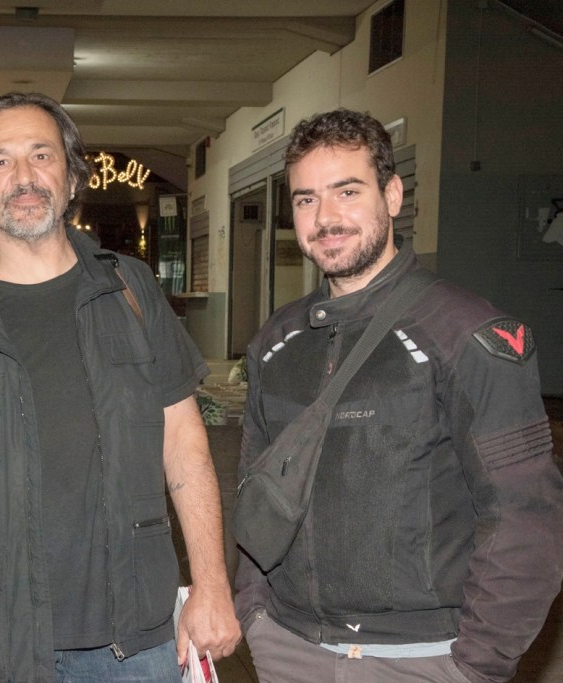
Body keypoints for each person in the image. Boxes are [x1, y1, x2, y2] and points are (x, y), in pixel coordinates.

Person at [0, 91, 241, 683]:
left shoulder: (131, 292)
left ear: (72, 179)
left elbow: (183, 441)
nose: (23, 176)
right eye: (0, 161)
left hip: (132, 645)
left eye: (41, 155)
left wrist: (212, 584)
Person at [234, 108, 563, 683]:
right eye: (307, 199)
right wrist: (254, 614)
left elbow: (524, 515)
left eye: (347, 192)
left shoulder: (466, 335)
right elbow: (253, 489)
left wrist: (476, 663)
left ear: (391, 195)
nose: (325, 217)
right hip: (288, 647)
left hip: (423, 657)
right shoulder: (275, 343)